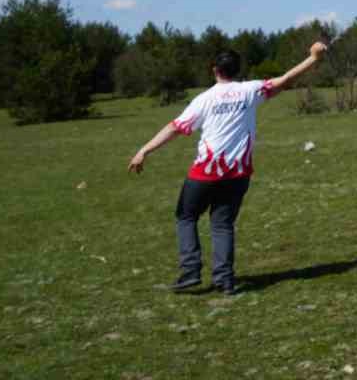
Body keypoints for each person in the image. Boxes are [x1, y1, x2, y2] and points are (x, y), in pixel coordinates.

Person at [127, 41, 327, 294]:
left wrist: (144, 150)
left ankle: (190, 271)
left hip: (206, 172)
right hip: (238, 173)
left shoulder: (204, 99)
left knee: (186, 216)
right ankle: (225, 279)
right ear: (237, 70)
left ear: (214, 70)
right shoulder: (249, 91)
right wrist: (313, 58)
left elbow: (176, 128)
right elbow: (285, 79)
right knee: (222, 224)